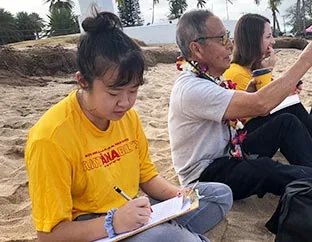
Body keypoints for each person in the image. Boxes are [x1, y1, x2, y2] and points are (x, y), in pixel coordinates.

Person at [24, 11, 232, 242]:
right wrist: (113, 222)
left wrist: (178, 195)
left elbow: (147, 177)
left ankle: (172, 233)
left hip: (130, 211)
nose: (125, 102)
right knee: (171, 237)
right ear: (83, 81)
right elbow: (48, 235)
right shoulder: (50, 138)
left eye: (133, 91)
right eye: (114, 93)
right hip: (90, 226)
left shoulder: (126, 117)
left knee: (218, 195)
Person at [169, 9, 312, 202]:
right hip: (206, 176)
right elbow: (260, 105)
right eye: (221, 38)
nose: (229, 44)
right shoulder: (191, 87)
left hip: (230, 154)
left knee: (286, 122)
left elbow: (238, 116)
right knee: (264, 169)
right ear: (196, 49)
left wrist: (249, 93)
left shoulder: (212, 80)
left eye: (229, 37)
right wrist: (305, 60)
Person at [224, 13, 312, 168]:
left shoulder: (251, 69)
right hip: (242, 142)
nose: (273, 41)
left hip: (254, 132)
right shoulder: (236, 73)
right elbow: (263, 106)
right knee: (291, 109)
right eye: (268, 36)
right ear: (252, 40)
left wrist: (287, 89)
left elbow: (270, 100)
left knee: (291, 109)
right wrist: (270, 71)